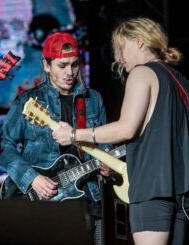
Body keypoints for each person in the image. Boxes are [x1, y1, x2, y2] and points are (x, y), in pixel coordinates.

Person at [52, 17, 189, 245]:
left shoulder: (142, 73)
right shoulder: (180, 80)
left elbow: (126, 128)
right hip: (182, 193)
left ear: (139, 42)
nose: (117, 58)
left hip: (152, 191)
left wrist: (75, 135)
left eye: (120, 49)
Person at [0, 31, 112, 243]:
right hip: (44, 202)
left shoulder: (94, 99)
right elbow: (4, 146)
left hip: (88, 198)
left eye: (75, 64)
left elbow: (105, 144)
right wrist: (31, 178)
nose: (70, 72)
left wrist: (109, 165)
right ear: (46, 65)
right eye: (62, 65)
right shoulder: (28, 100)